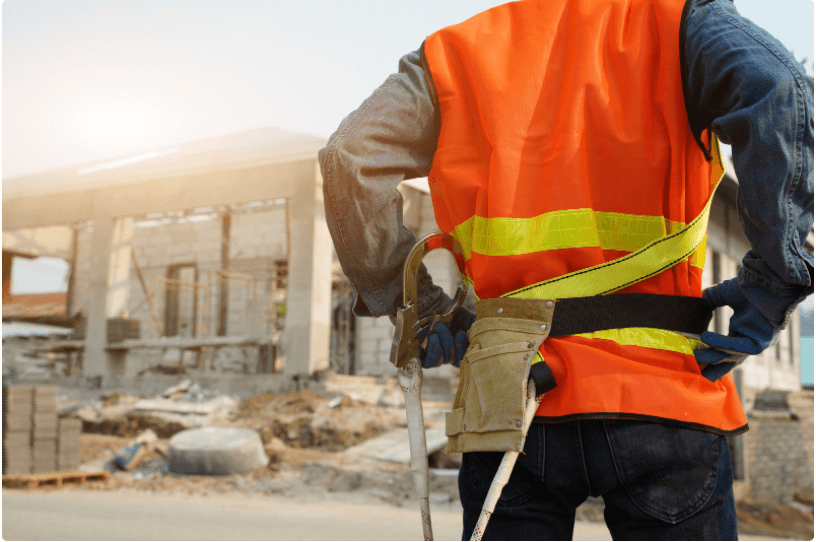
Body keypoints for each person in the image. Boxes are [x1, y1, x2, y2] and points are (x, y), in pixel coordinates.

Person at [318, 0, 813, 539]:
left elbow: (351, 156)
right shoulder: (681, 25)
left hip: (509, 396)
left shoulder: (453, 56)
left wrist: (416, 304)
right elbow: (780, 88)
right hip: (657, 393)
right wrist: (772, 280)